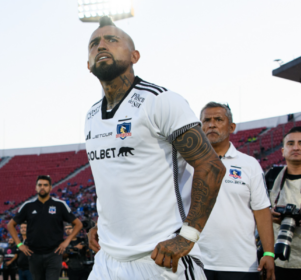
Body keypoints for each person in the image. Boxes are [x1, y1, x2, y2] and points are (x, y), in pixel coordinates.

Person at [85, 16, 226, 279]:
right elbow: (113, 178)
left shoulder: (161, 101)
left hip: (159, 258)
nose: (101, 45)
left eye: (112, 40)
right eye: (94, 43)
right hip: (106, 260)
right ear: (88, 64)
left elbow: (211, 166)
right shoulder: (91, 115)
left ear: (135, 55)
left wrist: (188, 236)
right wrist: (99, 225)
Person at [197, 102, 275, 280]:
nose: (211, 124)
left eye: (218, 119)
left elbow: (262, 211)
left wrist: (269, 253)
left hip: (240, 263)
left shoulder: (249, 165)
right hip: (196, 260)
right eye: (206, 120)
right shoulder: (187, 164)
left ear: (231, 127)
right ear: (200, 127)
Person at [7, 175, 83, 280]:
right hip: (33, 254)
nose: (42, 187)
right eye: (40, 185)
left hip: (54, 253)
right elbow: (10, 224)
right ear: (36, 187)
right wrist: (19, 244)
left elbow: (78, 224)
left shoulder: (60, 205)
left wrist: (66, 242)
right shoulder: (28, 206)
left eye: (45, 185)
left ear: (50, 187)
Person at [270, 126, 301, 279]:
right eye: (291, 143)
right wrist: (268, 214)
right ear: (282, 151)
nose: (296, 147)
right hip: (278, 259)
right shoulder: (270, 177)